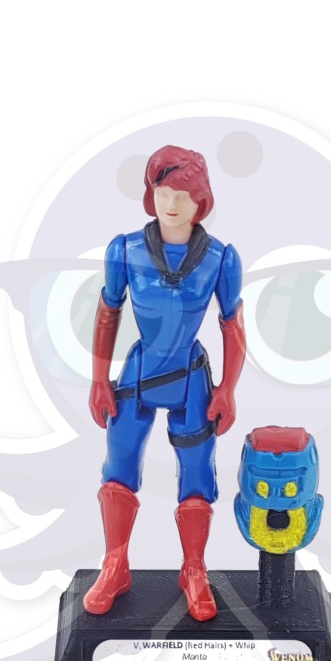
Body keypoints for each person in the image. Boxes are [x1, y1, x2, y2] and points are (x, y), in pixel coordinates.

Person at [85, 145, 245, 621]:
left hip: (191, 378)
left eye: (182, 194)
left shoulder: (221, 259)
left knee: (197, 472)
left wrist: (228, 388)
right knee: (119, 466)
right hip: (138, 374)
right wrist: (99, 379)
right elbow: (108, 313)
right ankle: (115, 564)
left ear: (201, 201)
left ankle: (194, 568)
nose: (171, 203)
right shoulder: (124, 251)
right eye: (162, 191)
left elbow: (232, 326)